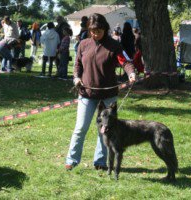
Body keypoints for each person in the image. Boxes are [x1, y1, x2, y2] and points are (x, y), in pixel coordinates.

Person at [65, 13, 136, 171]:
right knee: (80, 128)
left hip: (108, 95)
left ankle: (100, 162)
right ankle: (72, 160)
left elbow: (125, 61)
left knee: (105, 130)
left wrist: (131, 73)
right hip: (86, 94)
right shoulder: (83, 44)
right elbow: (77, 66)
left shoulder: (114, 45)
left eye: (98, 31)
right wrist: (76, 78)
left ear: (105, 29)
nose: (95, 34)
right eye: (92, 31)